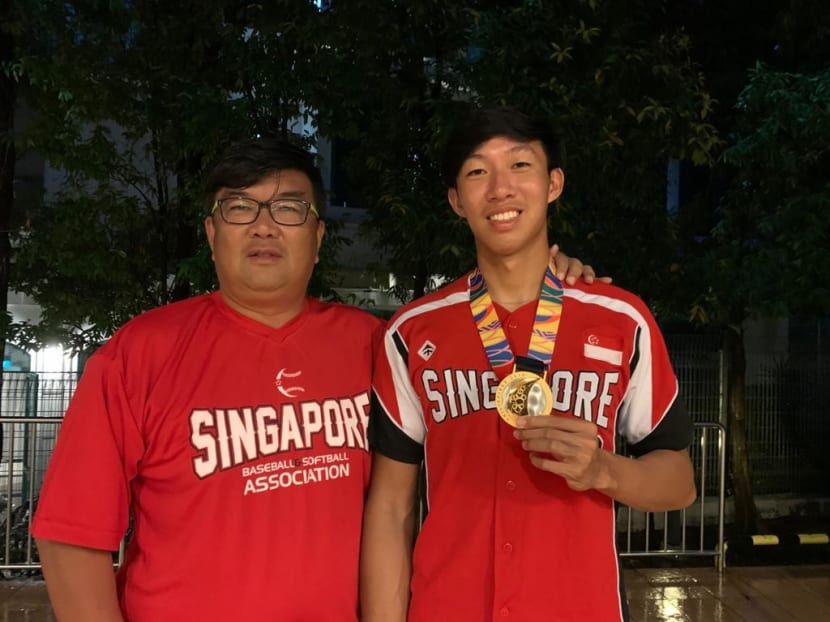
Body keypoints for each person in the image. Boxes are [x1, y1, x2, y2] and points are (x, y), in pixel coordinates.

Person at [31, 137, 596, 621]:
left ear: (319, 235)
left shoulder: (374, 343)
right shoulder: (140, 354)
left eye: (288, 208)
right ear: (210, 232)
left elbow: (478, 334)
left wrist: (547, 273)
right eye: (239, 208)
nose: (264, 226)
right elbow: (71, 534)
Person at [361, 107, 697, 622]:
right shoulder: (410, 334)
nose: (500, 189)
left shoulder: (621, 320)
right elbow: (390, 509)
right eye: (477, 172)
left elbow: (678, 482)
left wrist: (604, 469)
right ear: (456, 200)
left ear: (553, 183)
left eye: (520, 166)